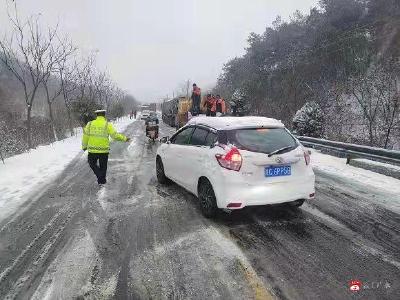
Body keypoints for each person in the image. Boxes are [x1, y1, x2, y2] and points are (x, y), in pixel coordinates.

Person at [82, 109, 130, 185]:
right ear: (104, 115)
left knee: (92, 164)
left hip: (92, 150)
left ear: (96, 115)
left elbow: (85, 136)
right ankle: (102, 180)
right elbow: (115, 135)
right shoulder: (107, 124)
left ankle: (100, 177)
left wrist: (84, 146)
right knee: (103, 167)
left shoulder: (90, 124)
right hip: (104, 150)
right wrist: (125, 138)